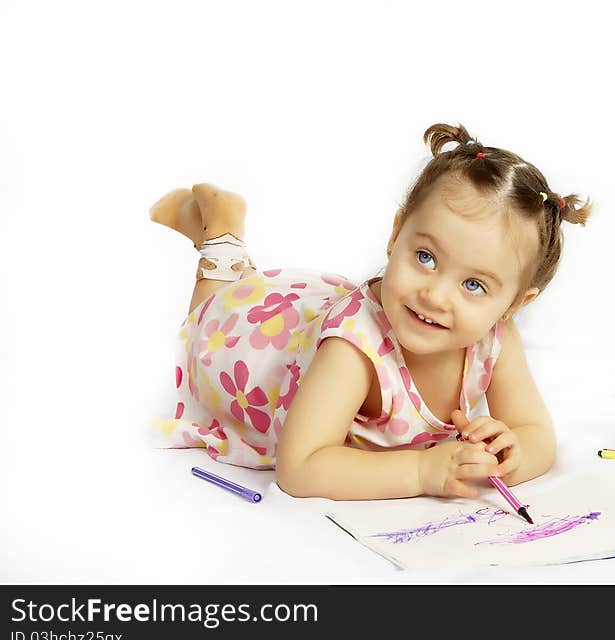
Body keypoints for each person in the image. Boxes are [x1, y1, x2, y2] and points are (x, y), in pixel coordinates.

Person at [149, 122, 591, 501]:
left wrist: (511, 457)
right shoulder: (354, 348)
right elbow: (300, 467)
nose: (435, 295)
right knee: (213, 318)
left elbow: (535, 432)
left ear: (512, 304)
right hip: (256, 355)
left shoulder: (497, 338)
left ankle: (229, 245)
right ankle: (221, 235)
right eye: (425, 257)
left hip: (303, 324)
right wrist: (422, 472)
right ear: (397, 233)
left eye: (473, 285)